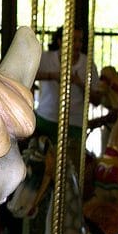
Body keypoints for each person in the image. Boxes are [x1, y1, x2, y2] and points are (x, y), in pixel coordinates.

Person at [35, 26, 99, 168]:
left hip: (74, 122)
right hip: (46, 119)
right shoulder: (46, 58)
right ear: (59, 41)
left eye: (80, 41)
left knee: (72, 167)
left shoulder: (87, 65)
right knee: (39, 165)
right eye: (73, 40)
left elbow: (97, 100)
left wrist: (80, 83)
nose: (77, 44)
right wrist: (51, 76)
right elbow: (27, 76)